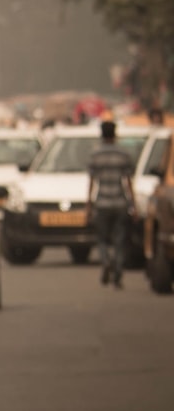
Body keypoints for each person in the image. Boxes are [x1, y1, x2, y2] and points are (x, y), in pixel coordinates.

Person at [87, 119, 135, 289]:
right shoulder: (123, 154)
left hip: (102, 203)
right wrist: (133, 204)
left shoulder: (96, 155)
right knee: (119, 240)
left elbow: (92, 182)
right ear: (115, 134)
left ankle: (106, 261)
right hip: (120, 202)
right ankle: (118, 270)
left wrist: (89, 205)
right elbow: (128, 181)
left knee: (101, 239)